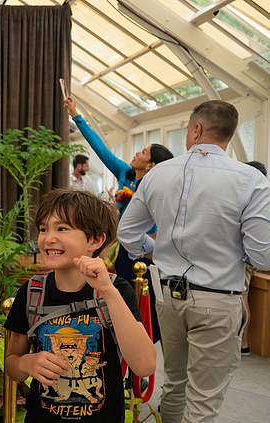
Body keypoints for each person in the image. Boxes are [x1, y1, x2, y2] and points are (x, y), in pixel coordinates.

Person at [117, 100, 270, 423]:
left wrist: (154, 249)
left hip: (167, 298)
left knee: (175, 384)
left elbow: (128, 235)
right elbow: (262, 254)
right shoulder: (251, 180)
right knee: (203, 401)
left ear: (197, 130)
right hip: (218, 299)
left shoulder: (157, 176)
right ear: (229, 134)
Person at [4, 189, 155, 423]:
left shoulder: (118, 291)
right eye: (44, 228)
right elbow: (12, 364)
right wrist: (27, 362)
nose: (48, 238)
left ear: (95, 240)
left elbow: (144, 365)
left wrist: (107, 291)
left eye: (62, 228)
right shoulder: (31, 293)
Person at [64, 96, 173, 343]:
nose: (137, 152)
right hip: (123, 248)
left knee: (145, 302)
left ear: (152, 164)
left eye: (143, 151)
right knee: (122, 296)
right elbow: (100, 149)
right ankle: (123, 345)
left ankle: (143, 348)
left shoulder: (159, 187)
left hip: (147, 254)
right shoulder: (125, 173)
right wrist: (76, 115)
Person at [241, 160, 268, 356]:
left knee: (241, 299)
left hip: (246, 259)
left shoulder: (252, 198)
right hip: (253, 258)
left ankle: (243, 343)